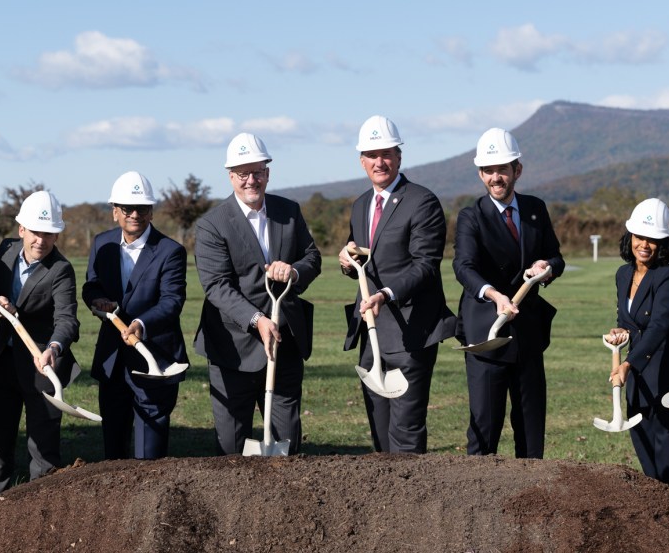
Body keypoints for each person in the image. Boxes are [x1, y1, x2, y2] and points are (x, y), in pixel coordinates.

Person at [193, 133, 322, 454]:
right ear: (230, 176)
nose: (251, 180)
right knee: (231, 447)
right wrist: (257, 319)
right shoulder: (212, 224)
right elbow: (216, 285)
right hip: (232, 348)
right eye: (243, 173)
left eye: (258, 172)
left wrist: (293, 271)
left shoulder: (289, 211)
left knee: (285, 444)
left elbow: (312, 257)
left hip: (283, 341)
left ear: (267, 172)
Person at [338, 115, 456, 454]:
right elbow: (364, 260)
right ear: (361, 161)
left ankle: (410, 490)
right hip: (371, 331)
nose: (380, 162)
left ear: (399, 157)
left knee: (405, 435)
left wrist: (386, 294)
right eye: (371, 155)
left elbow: (426, 265)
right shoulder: (361, 205)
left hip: (411, 332)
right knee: (379, 435)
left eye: (386, 154)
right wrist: (347, 262)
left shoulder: (422, 201)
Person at [453, 128, 564, 459]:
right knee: (485, 429)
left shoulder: (535, 209)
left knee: (530, 429)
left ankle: (531, 490)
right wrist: (495, 295)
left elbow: (556, 257)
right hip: (487, 335)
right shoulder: (471, 216)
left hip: (528, 333)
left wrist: (547, 267)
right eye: (488, 171)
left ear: (518, 170)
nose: (495, 177)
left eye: (502, 169)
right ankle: (477, 490)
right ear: (480, 174)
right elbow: (464, 267)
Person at [0, 190, 79, 502]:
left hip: (41, 366)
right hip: (0, 361)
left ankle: (42, 509)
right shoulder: (6, 250)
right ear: (21, 229)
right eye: (35, 232)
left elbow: (67, 319)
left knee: (43, 451)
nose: (40, 240)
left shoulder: (60, 269)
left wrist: (54, 348)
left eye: (48, 234)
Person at [82, 172, 188, 460]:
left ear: (151, 211)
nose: (135, 215)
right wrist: (96, 299)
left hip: (153, 359)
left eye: (142, 208)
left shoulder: (170, 251)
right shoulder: (101, 244)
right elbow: (91, 285)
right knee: (113, 451)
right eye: (127, 208)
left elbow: (172, 301)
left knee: (148, 457)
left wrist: (141, 324)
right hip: (112, 361)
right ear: (115, 211)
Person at [602, 198, 669, 493]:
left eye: (653, 239)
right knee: (647, 458)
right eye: (639, 236)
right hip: (640, 380)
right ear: (630, 236)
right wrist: (620, 332)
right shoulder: (623, 274)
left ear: (663, 242)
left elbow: (660, 327)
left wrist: (628, 364)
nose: (644, 244)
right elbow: (628, 321)